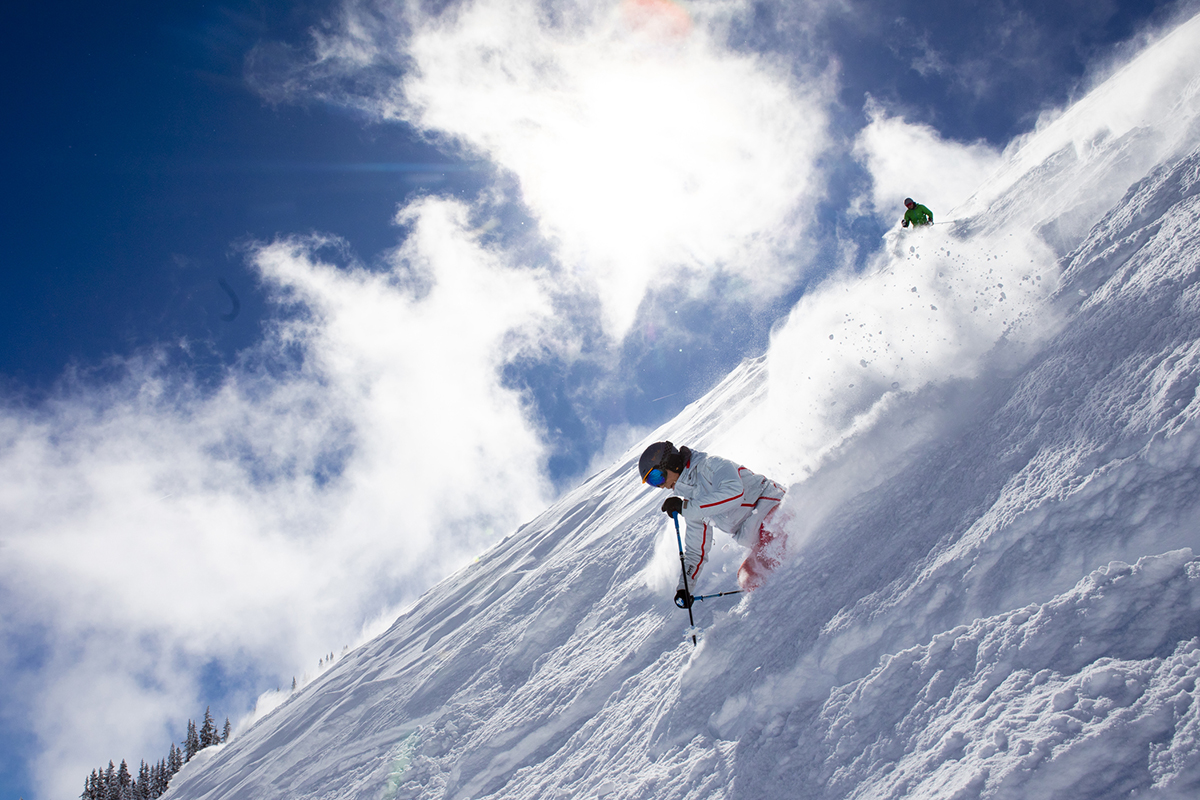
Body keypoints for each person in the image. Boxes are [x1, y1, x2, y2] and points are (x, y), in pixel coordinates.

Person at [638, 441, 786, 607]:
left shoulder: (710, 465)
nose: (661, 485)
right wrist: (684, 587)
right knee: (748, 578)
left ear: (671, 462)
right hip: (761, 540)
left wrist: (687, 508)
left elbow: (734, 492)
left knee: (775, 555)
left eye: (656, 476)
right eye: (653, 483)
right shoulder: (691, 504)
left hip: (777, 512)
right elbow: (696, 552)